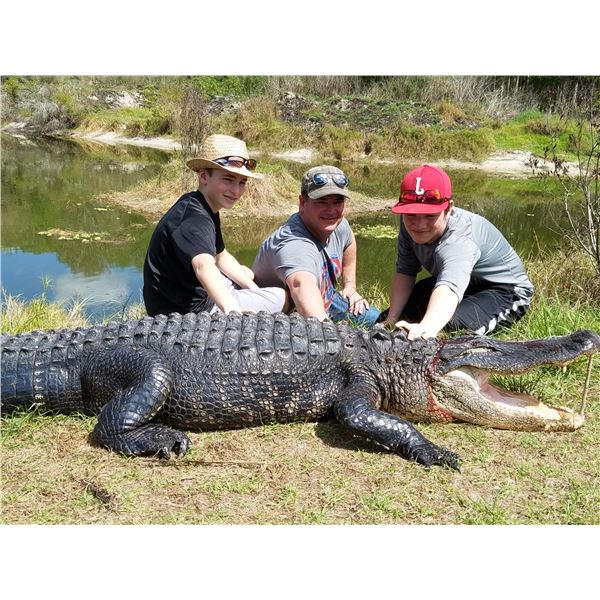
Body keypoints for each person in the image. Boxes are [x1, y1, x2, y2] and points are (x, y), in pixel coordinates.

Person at [380, 164, 534, 339]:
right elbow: (406, 270)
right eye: (411, 214)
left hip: (504, 290)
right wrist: (391, 319)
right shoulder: (407, 223)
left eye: (430, 215)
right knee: (386, 320)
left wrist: (427, 328)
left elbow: (448, 287)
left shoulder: (460, 238)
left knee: (450, 328)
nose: (419, 224)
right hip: (465, 282)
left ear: (449, 208)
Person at [143, 134, 287, 317]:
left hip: (180, 293)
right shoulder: (195, 218)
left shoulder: (201, 204)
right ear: (203, 176)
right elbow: (203, 266)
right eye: (228, 179)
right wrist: (231, 308)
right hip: (185, 312)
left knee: (246, 273)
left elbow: (220, 256)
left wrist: (253, 289)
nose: (236, 191)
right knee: (284, 297)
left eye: (242, 182)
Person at [252, 165, 380, 326]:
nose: (331, 210)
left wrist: (350, 286)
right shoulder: (293, 243)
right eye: (322, 201)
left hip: (327, 298)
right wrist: (326, 332)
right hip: (282, 319)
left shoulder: (339, 225)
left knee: (380, 322)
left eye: (338, 201)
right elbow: (301, 285)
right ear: (302, 203)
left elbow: (349, 241)